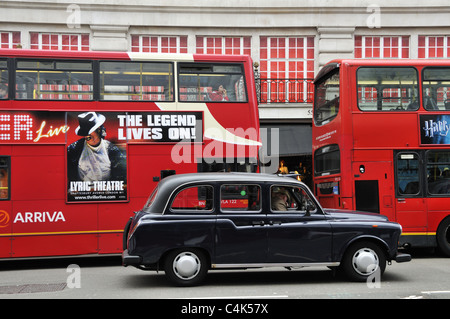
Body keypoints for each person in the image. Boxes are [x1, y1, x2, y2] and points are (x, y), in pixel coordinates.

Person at [67, 112, 126, 183]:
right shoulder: (74, 149)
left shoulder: (112, 150)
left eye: (89, 131)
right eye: (84, 132)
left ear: (98, 130)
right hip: (82, 192)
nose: (86, 135)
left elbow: (121, 177)